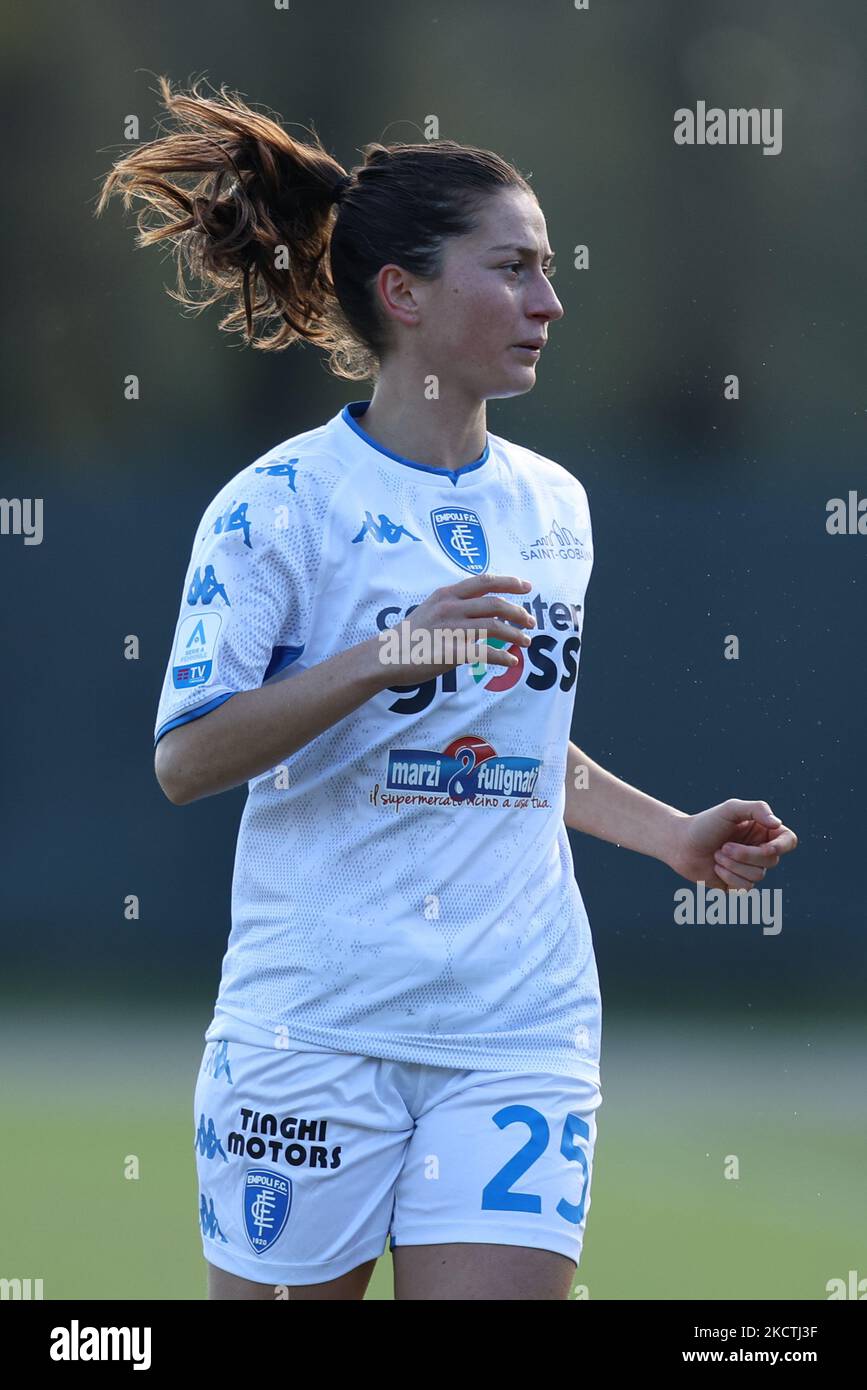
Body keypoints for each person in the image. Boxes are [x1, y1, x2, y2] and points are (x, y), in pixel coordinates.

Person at [96, 77, 798, 1301]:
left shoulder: (556, 506)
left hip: (515, 1027)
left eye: (545, 267)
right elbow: (187, 758)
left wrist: (671, 834)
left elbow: (522, 748)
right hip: (314, 1026)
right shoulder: (279, 506)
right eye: (515, 267)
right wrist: (387, 654)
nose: (550, 298)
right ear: (405, 293)